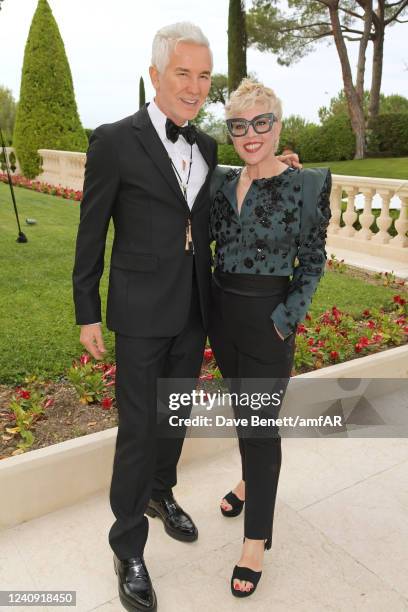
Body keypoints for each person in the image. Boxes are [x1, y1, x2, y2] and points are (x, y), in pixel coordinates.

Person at [73, 23, 299, 611]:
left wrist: (274, 162)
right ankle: (127, 546)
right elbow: (91, 230)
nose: (196, 86)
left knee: (175, 417)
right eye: (184, 73)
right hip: (140, 312)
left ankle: (160, 492)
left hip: (195, 307)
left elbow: (219, 198)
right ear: (156, 74)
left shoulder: (207, 147)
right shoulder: (114, 141)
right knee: (138, 427)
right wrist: (86, 310)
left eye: (203, 76)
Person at [208, 78, 332, 598]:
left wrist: (285, 319)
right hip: (223, 316)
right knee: (245, 415)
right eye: (240, 125)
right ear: (231, 132)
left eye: (262, 122)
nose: (251, 134)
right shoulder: (218, 183)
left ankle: (255, 539)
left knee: (260, 427)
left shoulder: (307, 184)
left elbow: (314, 260)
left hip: (268, 320)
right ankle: (247, 482)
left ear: (278, 124)